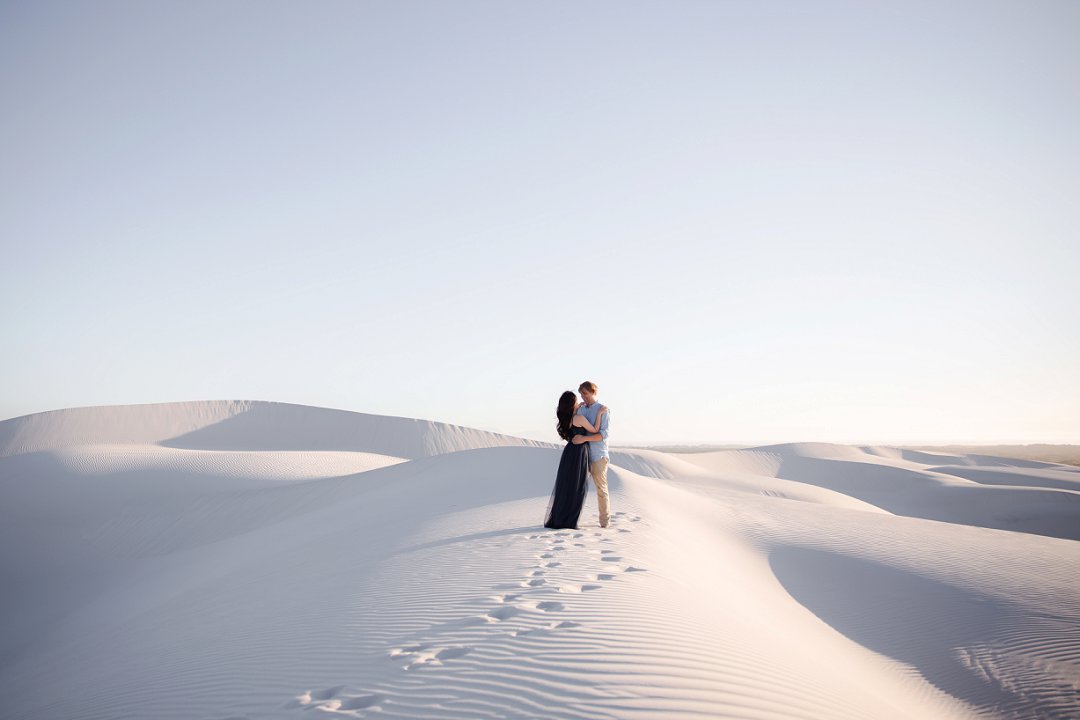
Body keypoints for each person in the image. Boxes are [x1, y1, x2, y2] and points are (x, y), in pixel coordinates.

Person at [544, 390, 608, 529]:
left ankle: (561, 518)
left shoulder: (564, 419)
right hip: (579, 453)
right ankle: (569, 521)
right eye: (575, 401)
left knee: (567, 486)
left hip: (569, 452)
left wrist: (577, 408)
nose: (578, 402)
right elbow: (595, 429)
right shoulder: (578, 418)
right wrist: (599, 413)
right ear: (571, 404)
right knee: (578, 487)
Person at [571, 380, 611, 528]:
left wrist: (584, 439)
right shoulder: (582, 410)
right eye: (581, 394)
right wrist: (576, 410)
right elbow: (574, 424)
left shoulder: (603, 410)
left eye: (585, 394)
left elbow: (602, 435)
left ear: (593, 392)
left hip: (599, 455)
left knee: (601, 488)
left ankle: (605, 523)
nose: (583, 397)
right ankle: (571, 520)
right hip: (583, 455)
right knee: (578, 487)